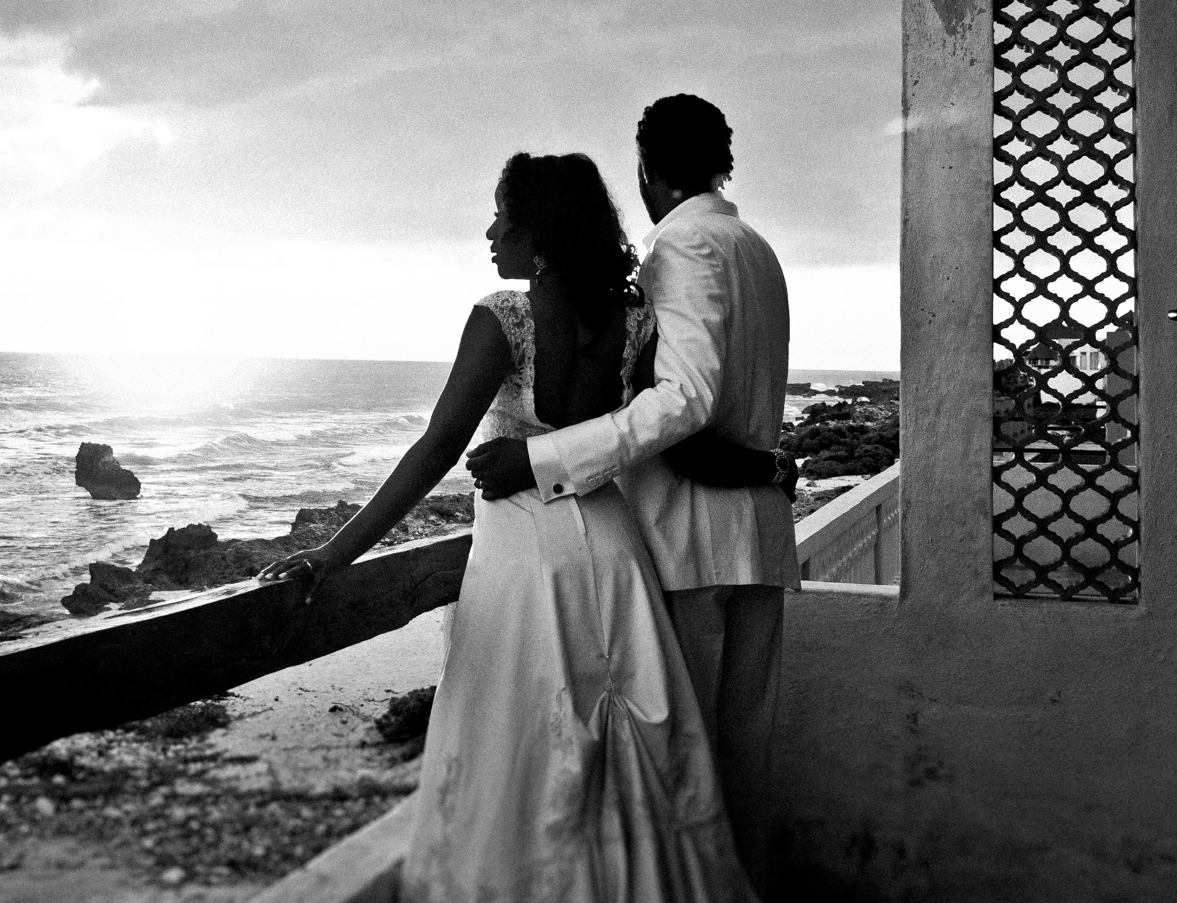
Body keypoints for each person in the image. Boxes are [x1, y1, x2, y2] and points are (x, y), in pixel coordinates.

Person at [259, 152, 754, 903]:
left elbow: (436, 447)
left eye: (504, 216)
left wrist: (335, 553)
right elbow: (664, 430)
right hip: (615, 551)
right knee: (623, 737)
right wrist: (767, 471)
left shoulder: (503, 316)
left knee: (520, 745)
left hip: (524, 557)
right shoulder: (632, 319)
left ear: (541, 234)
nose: (491, 230)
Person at [467, 95, 796, 881]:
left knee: (677, 764)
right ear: (722, 159)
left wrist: (544, 459)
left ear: (647, 170)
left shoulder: (678, 250)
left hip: (686, 539)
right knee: (744, 752)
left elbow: (684, 400)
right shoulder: (758, 248)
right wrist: (766, 467)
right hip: (759, 529)